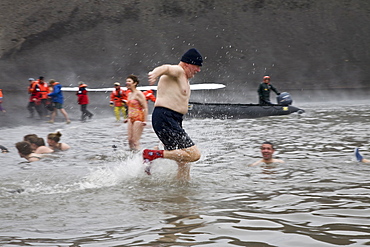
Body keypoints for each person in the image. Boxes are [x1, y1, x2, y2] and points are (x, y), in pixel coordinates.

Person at [143, 48, 203, 181]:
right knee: (194, 155)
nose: (198, 70)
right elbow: (166, 68)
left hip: (173, 119)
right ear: (187, 64)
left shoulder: (184, 78)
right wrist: (155, 73)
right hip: (165, 117)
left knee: (183, 161)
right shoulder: (179, 71)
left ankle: (181, 191)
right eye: (197, 66)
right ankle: (153, 154)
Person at [125, 75, 148, 150]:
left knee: (135, 140)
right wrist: (127, 117)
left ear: (135, 83)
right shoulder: (129, 94)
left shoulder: (139, 94)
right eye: (127, 81)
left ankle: (141, 157)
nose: (127, 83)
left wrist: (145, 120)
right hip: (130, 117)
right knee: (129, 140)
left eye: (129, 81)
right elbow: (129, 107)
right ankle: (132, 156)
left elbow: (145, 107)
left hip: (138, 118)